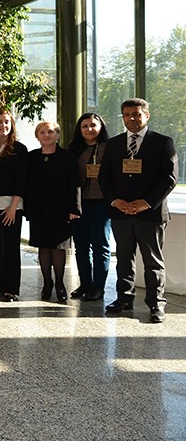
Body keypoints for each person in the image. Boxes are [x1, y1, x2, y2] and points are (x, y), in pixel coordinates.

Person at [99, 98, 177, 323]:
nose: (132, 118)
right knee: (124, 259)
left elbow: (169, 178)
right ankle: (124, 299)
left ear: (146, 116)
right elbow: (104, 176)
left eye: (136, 114)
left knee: (152, 262)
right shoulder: (113, 144)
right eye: (127, 115)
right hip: (121, 212)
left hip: (150, 213)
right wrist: (116, 201)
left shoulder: (163, 142)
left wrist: (146, 203)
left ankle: (156, 304)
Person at [25, 121, 79, 302]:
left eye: (50, 131)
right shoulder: (31, 157)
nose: (46, 135)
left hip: (61, 209)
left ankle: (60, 284)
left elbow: (74, 184)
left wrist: (74, 209)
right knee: (43, 247)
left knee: (58, 247)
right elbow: (26, 185)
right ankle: (47, 283)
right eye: (42, 132)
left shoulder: (67, 157)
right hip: (38, 209)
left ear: (58, 135)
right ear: (37, 136)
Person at [0, 110, 28, 302]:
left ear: (12, 125)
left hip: (10, 205)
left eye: (7, 122)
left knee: (10, 247)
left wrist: (13, 207)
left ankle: (10, 288)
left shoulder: (19, 148)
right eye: (0, 122)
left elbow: (22, 180)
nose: (3, 126)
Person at [68, 112, 111, 302]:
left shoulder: (109, 148)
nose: (89, 129)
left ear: (101, 127)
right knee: (81, 247)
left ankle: (98, 287)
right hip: (79, 205)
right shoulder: (74, 149)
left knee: (100, 247)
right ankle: (85, 283)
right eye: (85, 126)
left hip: (101, 204)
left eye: (93, 125)